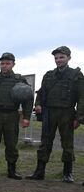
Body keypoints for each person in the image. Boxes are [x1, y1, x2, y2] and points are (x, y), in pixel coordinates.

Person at [27, 46, 84, 182]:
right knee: (45, 141)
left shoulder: (76, 75)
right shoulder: (49, 75)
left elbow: (82, 98)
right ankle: (39, 171)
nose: (58, 60)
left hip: (67, 112)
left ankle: (67, 173)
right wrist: (38, 104)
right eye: (56, 58)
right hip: (49, 112)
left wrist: (79, 117)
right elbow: (41, 92)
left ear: (68, 58)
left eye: (61, 57)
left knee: (67, 143)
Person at [0, 52, 33, 179]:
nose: (4, 66)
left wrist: (26, 117)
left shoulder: (19, 80)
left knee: (11, 144)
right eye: (2, 63)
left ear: (13, 64)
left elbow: (28, 99)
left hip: (12, 116)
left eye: (7, 63)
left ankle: (12, 171)